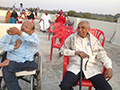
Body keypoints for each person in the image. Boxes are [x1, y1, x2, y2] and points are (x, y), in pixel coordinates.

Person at [59, 21, 113, 90]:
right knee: (64, 86)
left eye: (83, 28)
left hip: (91, 68)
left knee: (107, 88)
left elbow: (103, 55)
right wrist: (75, 52)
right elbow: (62, 51)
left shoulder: (94, 40)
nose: (80, 30)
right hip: (75, 67)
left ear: (88, 29)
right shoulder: (71, 38)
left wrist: (109, 67)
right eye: (78, 27)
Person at [0, 20, 39, 90]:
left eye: (27, 27)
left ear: (32, 31)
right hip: (14, 59)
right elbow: (0, 44)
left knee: (34, 65)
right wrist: (14, 47)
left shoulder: (34, 36)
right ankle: (10, 64)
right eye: (23, 25)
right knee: (6, 71)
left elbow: (35, 42)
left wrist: (20, 33)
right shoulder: (12, 34)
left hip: (27, 62)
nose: (23, 27)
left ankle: (9, 64)